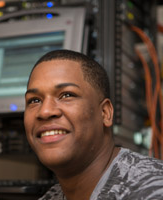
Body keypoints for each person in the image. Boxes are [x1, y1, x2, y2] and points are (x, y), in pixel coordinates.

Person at [24, 49, 163, 200]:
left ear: (105, 113)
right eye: (34, 100)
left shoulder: (152, 189)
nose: (44, 111)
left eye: (67, 95)